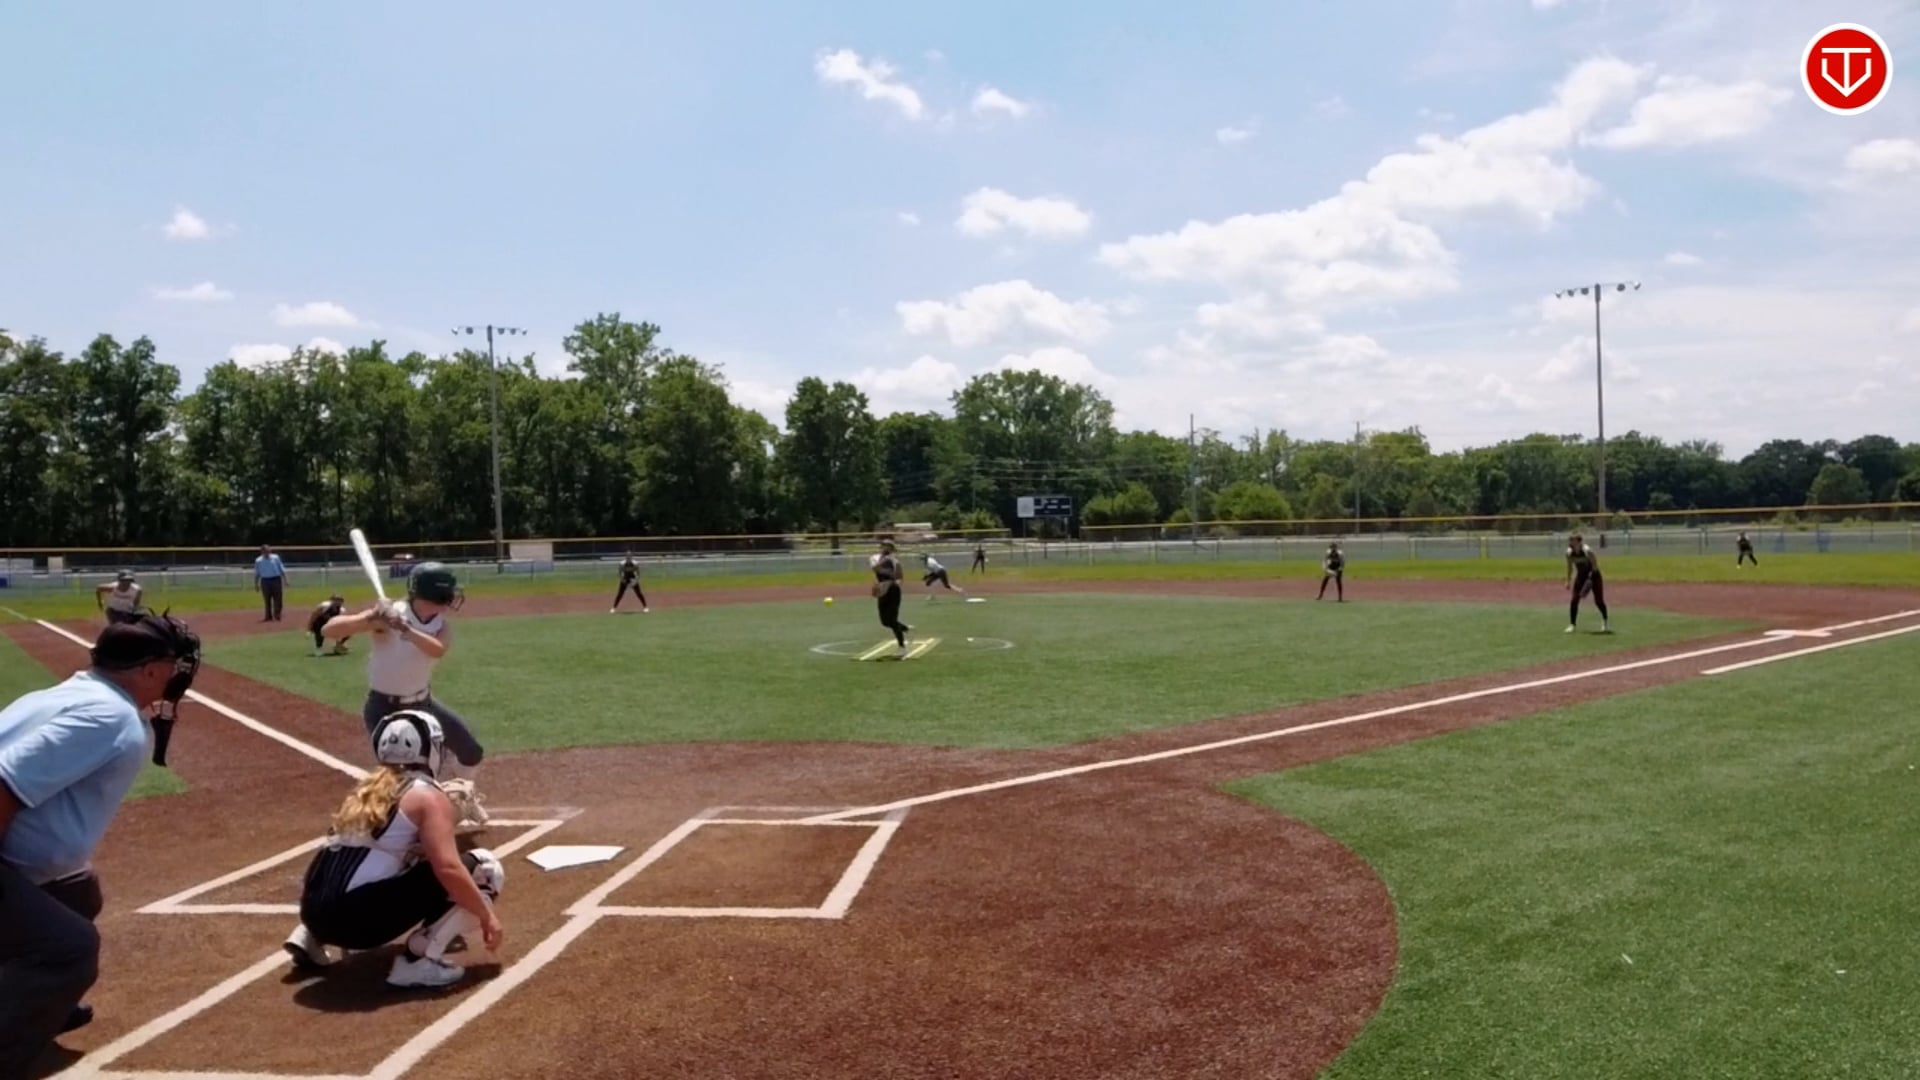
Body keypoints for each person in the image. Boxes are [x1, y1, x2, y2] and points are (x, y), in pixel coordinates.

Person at [0, 612, 200, 1075]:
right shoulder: (110, 718)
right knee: (69, 950)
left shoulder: (66, 695)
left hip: (17, 859)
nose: (177, 676)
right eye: (172, 666)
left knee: (77, 892)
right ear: (149, 671)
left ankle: (36, 1005)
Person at [282, 710, 506, 989]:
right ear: (430, 749)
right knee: (484, 868)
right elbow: (448, 868)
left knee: (372, 858)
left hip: (313, 914)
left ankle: (310, 938)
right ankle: (416, 962)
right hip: (355, 925)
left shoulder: (364, 792)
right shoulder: (427, 796)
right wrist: (487, 916)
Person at [319, 562, 488, 832]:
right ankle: (372, 823)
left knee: (470, 751)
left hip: (423, 703)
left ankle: (463, 799)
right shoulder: (389, 616)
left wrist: (405, 629)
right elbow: (329, 630)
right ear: (435, 592)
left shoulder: (440, 626)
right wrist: (370, 618)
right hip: (384, 708)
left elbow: (437, 649)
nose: (454, 596)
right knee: (399, 776)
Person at [870, 539, 912, 658]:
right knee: (884, 621)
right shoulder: (875, 558)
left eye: (889, 547)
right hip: (882, 589)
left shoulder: (895, 561)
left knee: (892, 619)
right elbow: (876, 569)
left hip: (892, 589)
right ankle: (904, 628)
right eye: (885, 546)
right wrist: (879, 585)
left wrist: (894, 584)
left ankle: (902, 647)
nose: (886, 548)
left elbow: (899, 577)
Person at [1564, 532, 1611, 634]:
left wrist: (1589, 580)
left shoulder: (1587, 551)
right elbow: (1570, 568)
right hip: (1581, 577)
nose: (1570, 542)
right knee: (1574, 600)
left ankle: (1605, 622)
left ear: (1579, 541)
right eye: (1570, 540)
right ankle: (1572, 625)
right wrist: (1568, 581)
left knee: (1599, 601)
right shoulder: (1569, 553)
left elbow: (1595, 566)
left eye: (1572, 540)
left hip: (1594, 576)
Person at [254, 544, 288, 622]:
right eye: (265, 551)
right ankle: (268, 616)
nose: (268, 552)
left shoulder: (276, 558)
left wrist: (285, 579)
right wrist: (256, 584)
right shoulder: (258, 560)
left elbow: (281, 568)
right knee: (267, 599)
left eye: (269, 550)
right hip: (265, 580)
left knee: (278, 599)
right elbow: (257, 573)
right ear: (262, 552)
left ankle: (277, 615)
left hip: (276, 579)